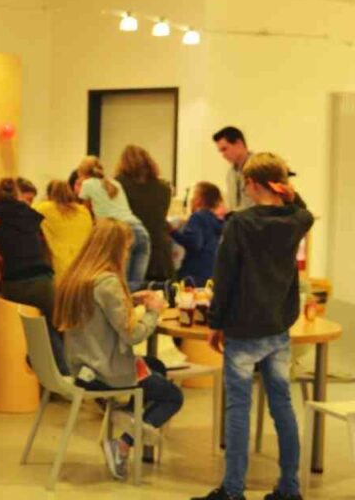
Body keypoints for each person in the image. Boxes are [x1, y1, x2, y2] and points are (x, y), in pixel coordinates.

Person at [195, 153, 314, 500]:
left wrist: (215, 322)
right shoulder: (295, 220)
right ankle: (289, 486)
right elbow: (305, 212)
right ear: (280, 185)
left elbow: (225, 277)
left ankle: (233, 489)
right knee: (282, 406)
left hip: (243, 329)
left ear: (251, 184)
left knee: (238, 408)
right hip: (277, 327)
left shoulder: (240, 224)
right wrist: (291, 195)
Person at [54, 219, 183, 482]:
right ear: (115, 249)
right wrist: (153, 311)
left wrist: (130, 300)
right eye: (126, 249)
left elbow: (97, 315)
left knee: (156, 366)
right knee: (172, 396)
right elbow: (132, 335)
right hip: (106, 372)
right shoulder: (108, 283)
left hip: (83, 367)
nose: (127, 255)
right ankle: (123, 443)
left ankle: (130, 414)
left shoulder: (76, 278)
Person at [0, 178, 66, 373]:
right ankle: (64, 374)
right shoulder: (29, 214)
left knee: (25, 332)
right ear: (17, 194)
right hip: (43, 279)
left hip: (16, 281)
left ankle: (37, 376)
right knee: (52, 328)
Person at [75, 156, 150, 291]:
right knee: (135, 286)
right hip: (140, 230)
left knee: (120, 285)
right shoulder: (115, 183)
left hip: (119, 232)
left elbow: (84, 212)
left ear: (81, 173)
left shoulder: (87, 184)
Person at [115, 145, 174, 282]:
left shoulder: (118, 186)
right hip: (160, 251)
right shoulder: (164, 188)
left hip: (131, 247)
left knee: (132, 290)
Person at [34, 180, 93, 280]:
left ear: (49, 194)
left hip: (61, 265)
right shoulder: (84, 211)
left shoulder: (44, 208)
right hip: (85, 263)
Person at [171, 182, 224, 285]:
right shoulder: (215, 221)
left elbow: (194, 243)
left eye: (193, 196)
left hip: (193, 272)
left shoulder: (197, 217)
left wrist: (173, 232)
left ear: (199, 200)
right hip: (211, 272)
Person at [213, 126, 254, 212]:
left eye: (225, 149)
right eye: (221, 151)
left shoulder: (259, 168)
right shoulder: (230, 174)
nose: (223, 155)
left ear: (239, 143)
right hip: (237, 218)